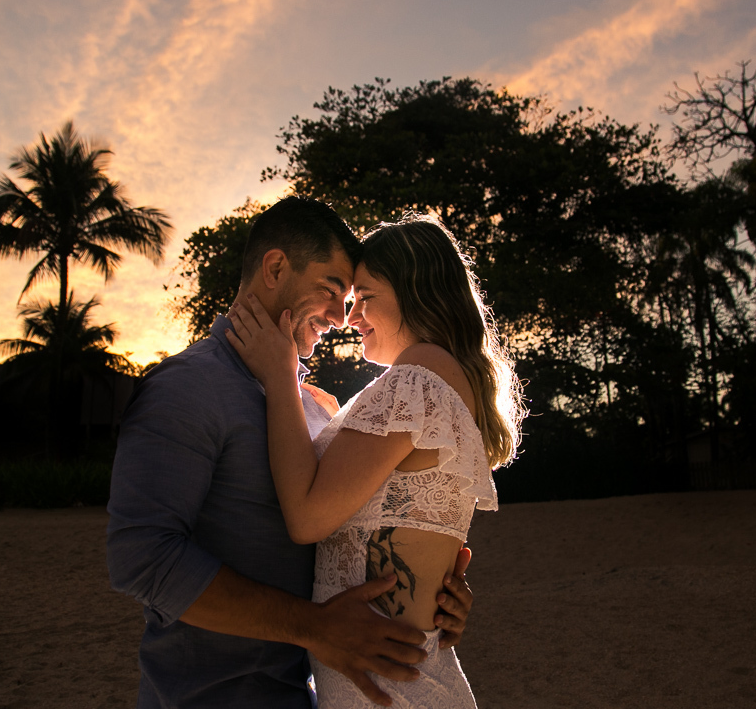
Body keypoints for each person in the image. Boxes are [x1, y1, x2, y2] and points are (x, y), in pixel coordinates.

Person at [106, 196, 474, 709]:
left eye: (351, 299)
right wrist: (315, 628)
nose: (341, 318)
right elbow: (140, 558)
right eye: (331, 291)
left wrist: (428, 594)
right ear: (276, 267)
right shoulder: (188, 388)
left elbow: (360, 529)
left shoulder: (311, 407)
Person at [226, 214, 525, 708]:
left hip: (387, 692)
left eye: (366, 298)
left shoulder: (416, 381)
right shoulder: (440, 383)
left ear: (415, 292)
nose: (350, 317)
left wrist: (280, 376)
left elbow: (305, 518)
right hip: (398, 679)